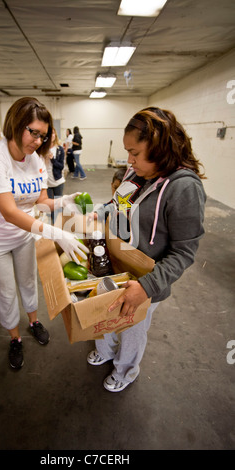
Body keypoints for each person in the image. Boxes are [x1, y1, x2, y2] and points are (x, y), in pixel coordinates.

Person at [87, 106, 206, 392]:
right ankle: (105, 350)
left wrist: (146, 285)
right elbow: (119, 205)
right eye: (128, 152)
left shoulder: (184, 189)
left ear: (161, 148)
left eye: (136, 153)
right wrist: (99, 214)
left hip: (145, 282)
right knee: (105, 314)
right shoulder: (137, 174)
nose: (129, 160)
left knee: (131, 329)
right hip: (115, 266)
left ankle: (125, 370)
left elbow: (183, 252)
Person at [0, 97, 88, 370]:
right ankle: (14, 338)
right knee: (5, 292)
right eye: (32, 132)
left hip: (23, 235)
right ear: (15, 124)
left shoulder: (35, 158)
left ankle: (34, 322)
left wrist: (64, 201)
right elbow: (10, 212)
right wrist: (56, 233)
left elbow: (41, 201)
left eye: (43, 135)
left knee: (27, 281)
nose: (37, 141)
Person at [45, 128, 65, 222]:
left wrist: (52, 158)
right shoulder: (42, 148)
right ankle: (54, 223)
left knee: (58, 203)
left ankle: (58, 223)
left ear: (55, 135)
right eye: (49, 133)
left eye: (53, 133)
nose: (51, 135)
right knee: (50, 205)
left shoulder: (59, 149)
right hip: (46, 183)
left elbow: (61, 166)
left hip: (58, 182)